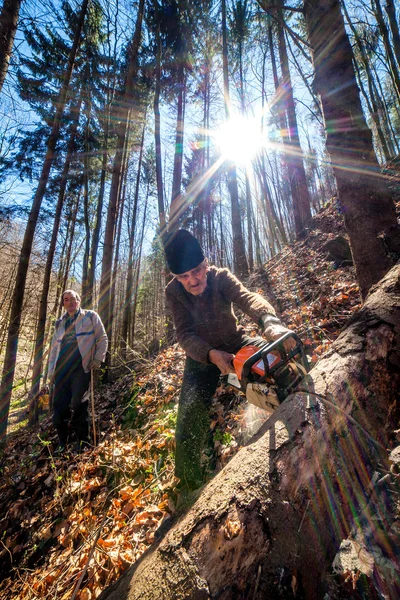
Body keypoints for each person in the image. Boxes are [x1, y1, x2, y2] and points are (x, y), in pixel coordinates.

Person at [165, 229, 294, 492]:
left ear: (205, 264)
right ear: (176, 278)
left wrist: (269, 322)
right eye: (184, 277)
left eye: (196, 271)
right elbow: (184, 334)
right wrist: (210, 355)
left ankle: (295, 405)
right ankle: (188, 482)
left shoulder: (220, 277)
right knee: (189, 412)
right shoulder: (174, 292)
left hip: (236, 343)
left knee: (277, 360)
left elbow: (247, 298)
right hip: (201, 355)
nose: (192, 281)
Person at [48, 290, 108, 452]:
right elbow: (54, 349)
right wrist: (50, 372)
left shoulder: (90, 317)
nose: (70, 302)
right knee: (59, 406)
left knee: (79, 403)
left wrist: (97, 359)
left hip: (81, 368)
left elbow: (102, 338)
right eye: (66, 300)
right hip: (61, 370)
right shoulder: (59, 323)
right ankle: (62, 441)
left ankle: (83, 440)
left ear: (79, 300)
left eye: (73, 299)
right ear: (63, 303)